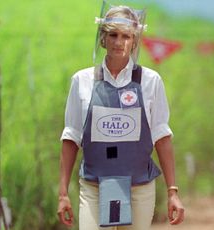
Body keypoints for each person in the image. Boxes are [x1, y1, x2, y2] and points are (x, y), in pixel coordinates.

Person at [57, 3, 184, 230]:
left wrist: (172, 191)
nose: (118, 42)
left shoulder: (150, 81)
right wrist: (62, 193)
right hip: (94, 187)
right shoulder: (82, 81)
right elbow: (71, 137)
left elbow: (162, 137)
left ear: (134, 41)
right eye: (113, 34)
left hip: (139, 188)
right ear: (103, 38)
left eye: (125, 36)